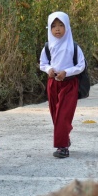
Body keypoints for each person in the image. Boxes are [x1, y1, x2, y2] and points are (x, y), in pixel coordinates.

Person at [39, 12, 86, 158]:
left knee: (63, 115)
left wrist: (66, 72)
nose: (57, 29)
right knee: (55, 115)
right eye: (53, 26)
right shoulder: (48, 46)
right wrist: (49, 70)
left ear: (67, 27)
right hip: (53, 84)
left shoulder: (74, 47)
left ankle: (62, 147)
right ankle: (64, 136)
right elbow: (43, 64)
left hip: (69, 84)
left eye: (61, 25)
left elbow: (81, 65)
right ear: (49, 29)